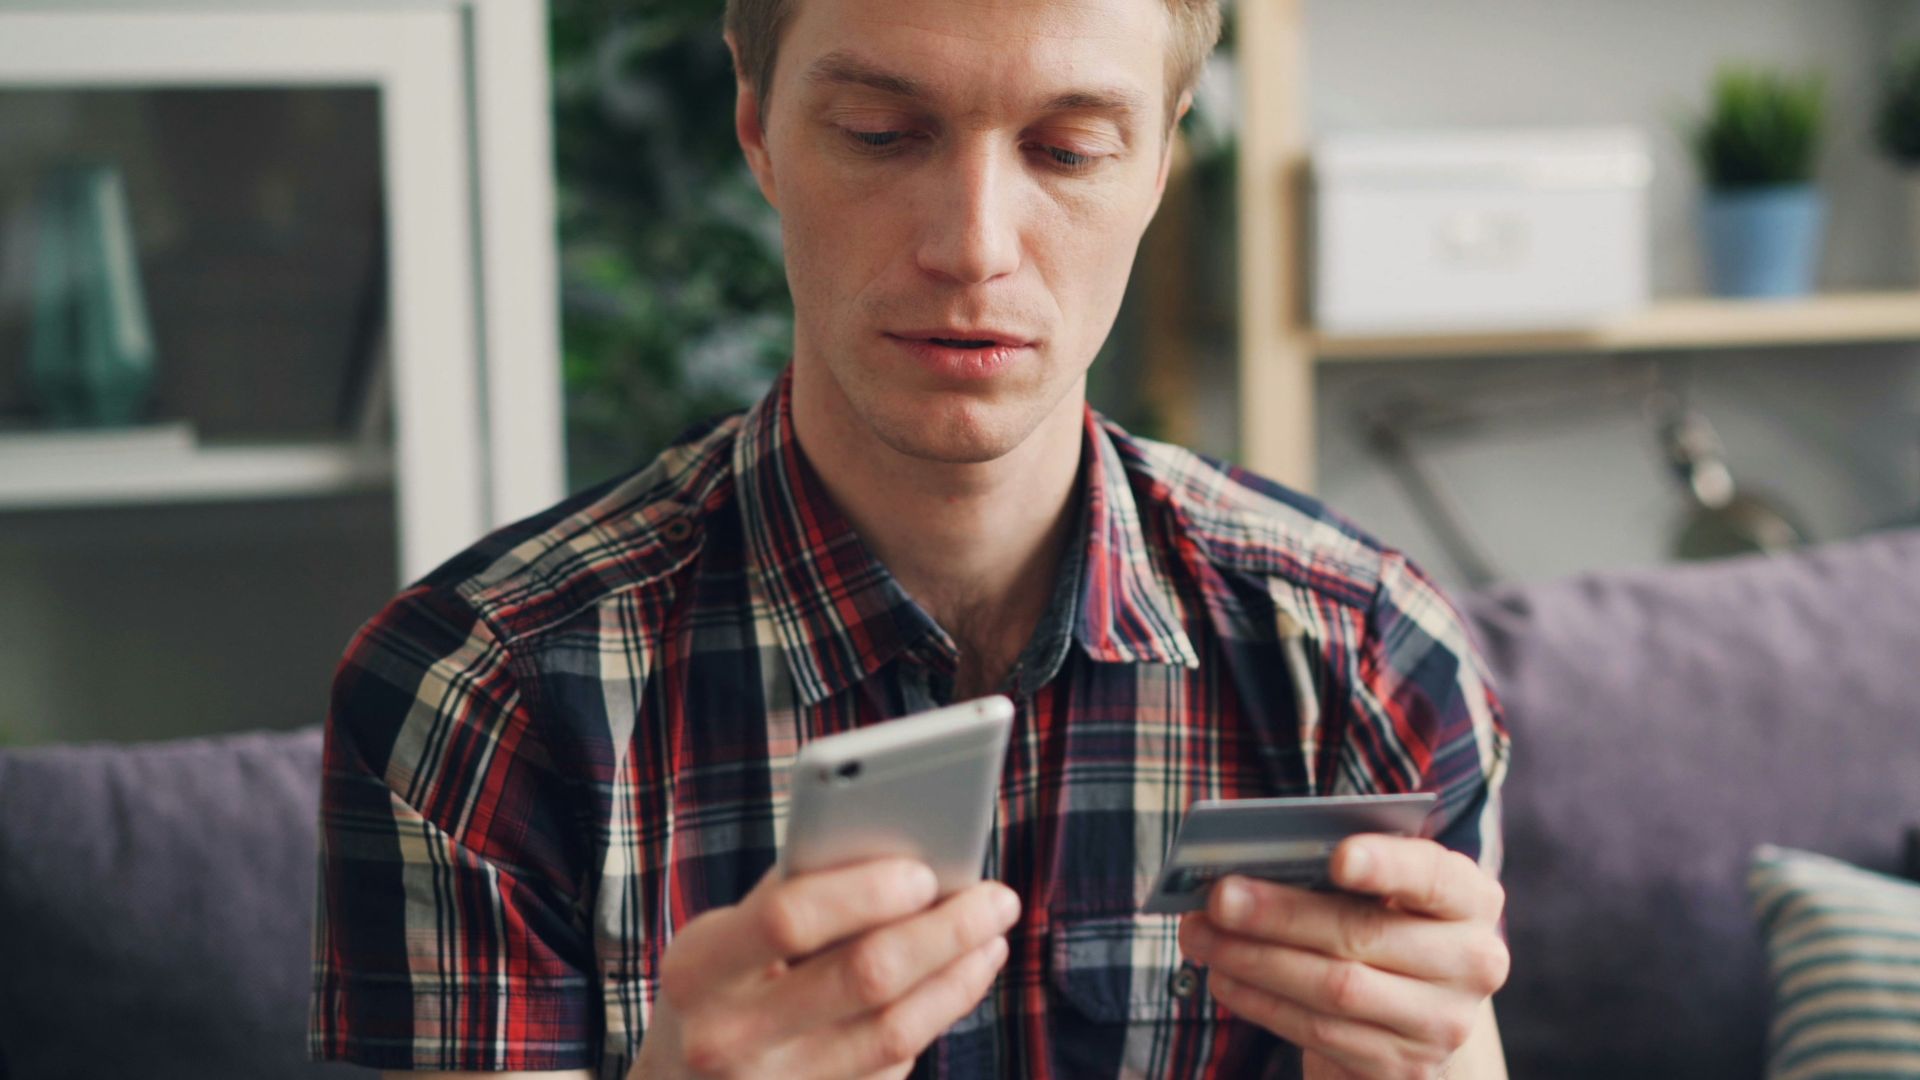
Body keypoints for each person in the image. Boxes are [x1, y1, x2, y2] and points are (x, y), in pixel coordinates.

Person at [309, 0, 1514, 1076]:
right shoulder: (480, 698)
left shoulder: (1366, 658)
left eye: (1070, 149)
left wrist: (1434, 1061)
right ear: (757, 123)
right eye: (883, 134)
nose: (974, 246)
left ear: (1160, 158)